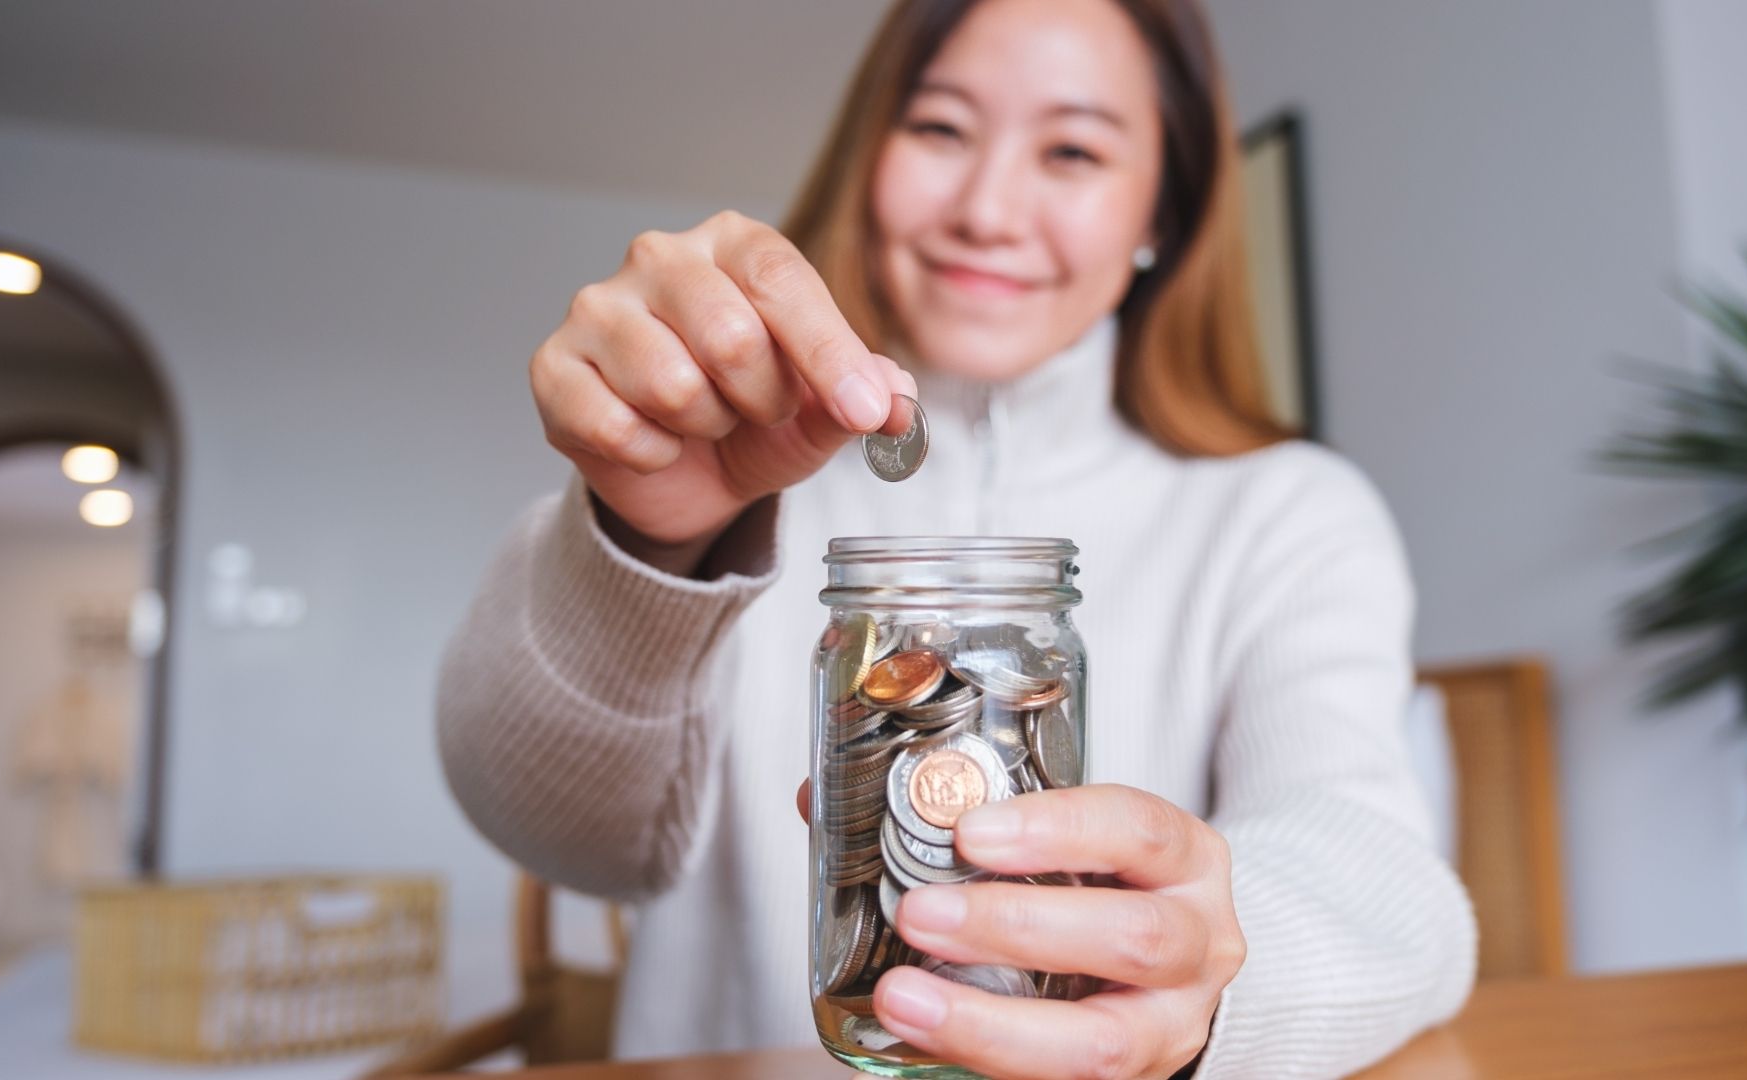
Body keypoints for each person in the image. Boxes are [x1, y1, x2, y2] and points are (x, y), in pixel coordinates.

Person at [437, 0, 1475, 1076]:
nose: (988, 209)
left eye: (1072, 149)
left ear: (1160, 209)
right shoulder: (724, 466)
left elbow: (1381, 878)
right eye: (940, 129)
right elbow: (550, 829)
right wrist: (644, 549)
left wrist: (1206, 980)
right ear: (870, 151)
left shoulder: (1289, 513)